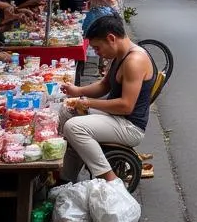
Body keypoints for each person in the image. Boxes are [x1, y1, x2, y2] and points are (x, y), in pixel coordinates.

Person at [56, 14, 155, 183]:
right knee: (66, 112)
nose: (97, 52)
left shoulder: (134, 61)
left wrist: (89, 103)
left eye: (97, 48)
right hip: (117, 118)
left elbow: (126, 106)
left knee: (74, 127)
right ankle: (66, 177)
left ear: (111, 38)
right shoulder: (120, 55)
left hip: (129, 126)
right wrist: (76, 90)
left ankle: (110, 180)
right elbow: (104, 85)